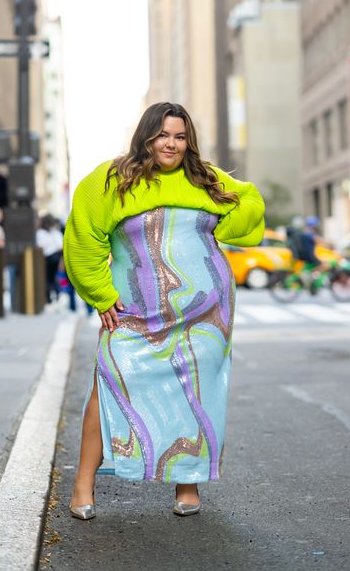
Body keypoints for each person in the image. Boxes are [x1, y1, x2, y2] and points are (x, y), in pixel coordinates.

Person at [63, 102, 265, 520]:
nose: (171, 144)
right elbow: (84, 239)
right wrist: (101, 295)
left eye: (179, 136)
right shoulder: (110, 180)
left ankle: (187, 481)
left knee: (194, 392)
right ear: (147, 136)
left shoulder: (204, 178)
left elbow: (248, 204)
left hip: (204, 312)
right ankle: (84, 481)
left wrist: (227, 219)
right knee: (109, 386)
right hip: (135, 311)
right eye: (163, 135)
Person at [36, 214, 64, 304]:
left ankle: (48, 298)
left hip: (45, 258)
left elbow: (39, 246)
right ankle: (57, 295)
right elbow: (61, 246)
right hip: (56, 257)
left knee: (47, 278)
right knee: (55, 277)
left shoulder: (40, 233)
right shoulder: (56, 233)